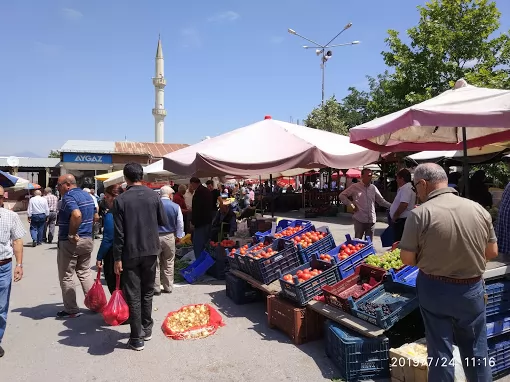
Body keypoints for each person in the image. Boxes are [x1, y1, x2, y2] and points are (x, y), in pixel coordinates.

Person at [399, 163, 498, 381]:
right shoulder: (479, 209)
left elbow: (406, 259)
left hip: (435, 290)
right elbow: (491, 251)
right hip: (472, 290)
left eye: (416, 188)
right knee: (477, 352)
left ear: (423, 184)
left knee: (440, 352)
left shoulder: (420, 215)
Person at [113, 163, 168, 351]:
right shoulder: (154, 196)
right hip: (151, 249)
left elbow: (118, 233)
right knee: (147, 291)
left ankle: (137, 337)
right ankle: (147, 328)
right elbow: (162, 221)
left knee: (134, 294)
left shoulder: (120, 200)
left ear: (125, 177)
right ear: (141, 175)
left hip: (130, 252)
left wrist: (117, 258)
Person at [56, 174, 95, 319]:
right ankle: (95, 304)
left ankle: (71, 309)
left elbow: (77, 215)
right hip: (87, 239)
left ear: (67, 184)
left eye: (59, 185)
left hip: (71, 242)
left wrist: (72, 234)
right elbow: (96, 216)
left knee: (66, 276)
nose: (58, 188)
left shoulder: (68, 197)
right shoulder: (87, 196)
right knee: (85, 272)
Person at [0, 186, 25, 358]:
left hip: (3, 266)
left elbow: (17, 240)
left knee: (1, 307)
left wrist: (19, 265)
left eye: (0, 196)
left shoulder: (11, 216)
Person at [339, 168, 391, 240]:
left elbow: (381, 201)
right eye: (369, 175)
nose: (371, 177)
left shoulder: (373, 188)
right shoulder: (355, 187)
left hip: (371, 220)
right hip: (359, 219)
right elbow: (342, 195)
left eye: (371, 175)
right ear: (362, 176)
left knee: (369, 244)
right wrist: (351, 204)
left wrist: (392, 206)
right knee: (358, 242)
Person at [155, 186, 184, 295]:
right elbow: (180, 223)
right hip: (169, 236)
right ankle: (168, 287)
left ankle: (156, 288)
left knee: (155, 262)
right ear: (170, 195)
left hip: (155, 236)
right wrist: (179, 236)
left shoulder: (155, 206)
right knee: (169, 261)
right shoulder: (175, 206)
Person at [95, 184, 124, 294]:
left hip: (114, 253)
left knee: (114, 283)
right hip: (131, 252)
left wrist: (99, 257)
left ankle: (119, 308)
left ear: (113, 197)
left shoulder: (111, 214)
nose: (105, 199)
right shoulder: (129, 211)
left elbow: (108, 238)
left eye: (106, 196)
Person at [389, 169, 416, 242]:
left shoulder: (406, 189)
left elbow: (404, 204)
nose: (396, 180)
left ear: (402, 178)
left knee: (398, 241)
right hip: (402, 219)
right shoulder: (405, 188)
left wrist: (395, 216)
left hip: (402, 220)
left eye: (397, 178)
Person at [190, 177, 212, 257]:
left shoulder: (199, 192)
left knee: (198, 245)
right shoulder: (207, 191)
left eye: (192, 185)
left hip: (200, 223)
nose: (192, 187)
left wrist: (193, 222)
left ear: (193, 183)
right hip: (208, 221)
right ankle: (207, 262)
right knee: (206, 244)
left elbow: (197, 210)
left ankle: (200, 262)